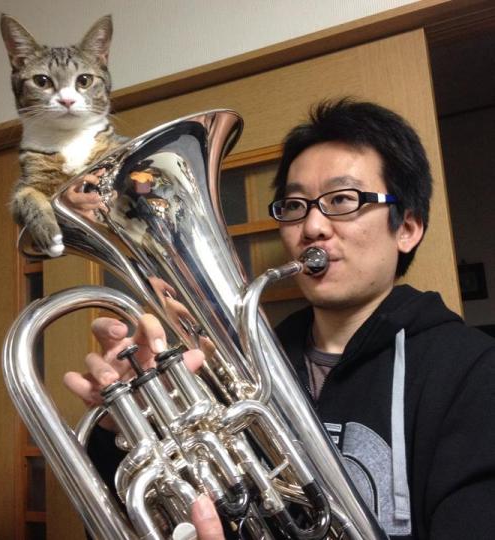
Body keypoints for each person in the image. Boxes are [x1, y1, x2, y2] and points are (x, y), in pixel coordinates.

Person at [65, 99, 495, 539]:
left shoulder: (472, 371)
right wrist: (126, 427)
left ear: (407, 227)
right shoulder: (237, 370)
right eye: (293, 205)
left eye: (342, 199)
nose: (311, 227)